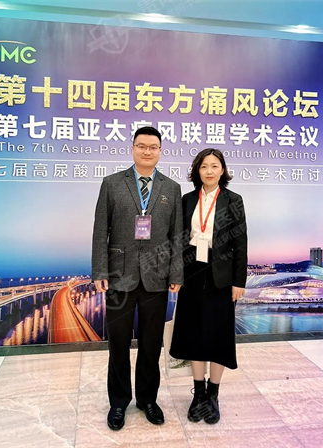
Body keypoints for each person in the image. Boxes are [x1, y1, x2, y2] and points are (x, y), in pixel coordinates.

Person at [92, 126, 183, 430]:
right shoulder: (112, 184)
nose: (147, 151)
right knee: (118, 344)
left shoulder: (171, 188)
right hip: (118, 276)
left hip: (157, 276)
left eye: (153, 147)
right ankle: (118, 402)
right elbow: (100, 230)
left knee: (151, 344)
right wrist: (100, 271)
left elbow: (177, 234)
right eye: (141, 146)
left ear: (160, 151)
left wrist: (176, 273)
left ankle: (147, 399)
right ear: (132, 148)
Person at [170, 148, 247, 424]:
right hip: (192, 272)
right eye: (204, 166)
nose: (209, 171)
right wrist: (175, 274)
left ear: (222, 170)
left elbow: (241, 244)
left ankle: (213, 395)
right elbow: (179, 241)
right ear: (197, 171)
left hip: (221, 276)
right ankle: (198, 393)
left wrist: (239, 281)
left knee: (218, 334)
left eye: (215, 166)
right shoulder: (187, 199)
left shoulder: (233, 200)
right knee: (194, 332)